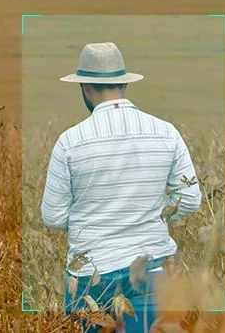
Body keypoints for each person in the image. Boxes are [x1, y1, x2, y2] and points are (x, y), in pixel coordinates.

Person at [40, 42, 202, 332]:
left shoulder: (70, 142)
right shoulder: (166, 132)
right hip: (155, 269)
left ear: (85, 88)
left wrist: (94, 220)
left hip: (92, 278)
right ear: (125, 83)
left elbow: (52, 216)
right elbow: (190, 199)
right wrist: (150, 217)